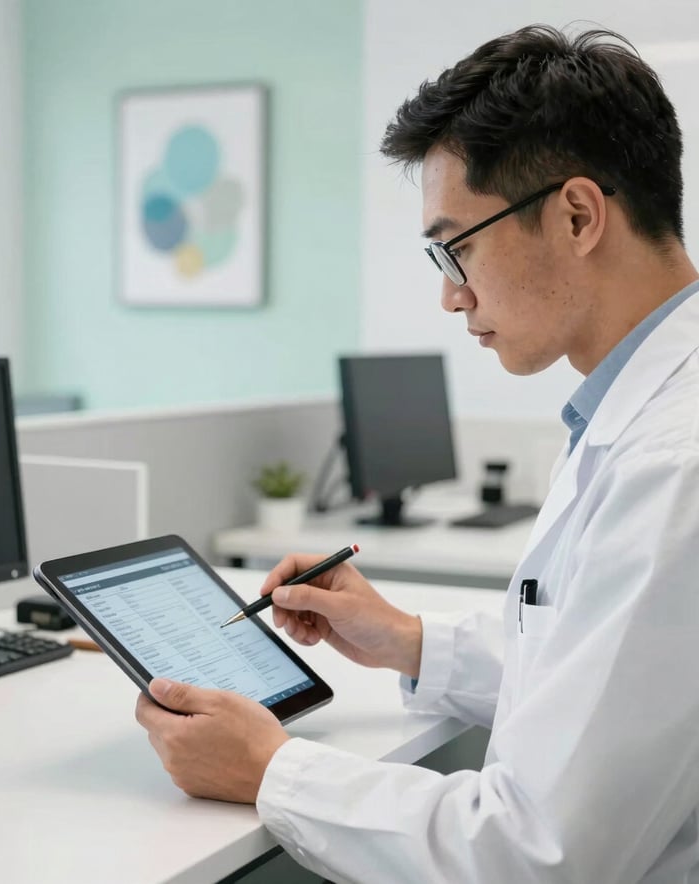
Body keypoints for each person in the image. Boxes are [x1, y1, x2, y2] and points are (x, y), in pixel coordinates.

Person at [135, 24, 699, 883]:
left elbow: (537, 856)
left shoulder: (672, 460)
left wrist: (272, 769)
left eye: (457, 246)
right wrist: (405, 640)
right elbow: (609, 682)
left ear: (578, 215)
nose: (449, 294)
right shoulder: (642, 417)